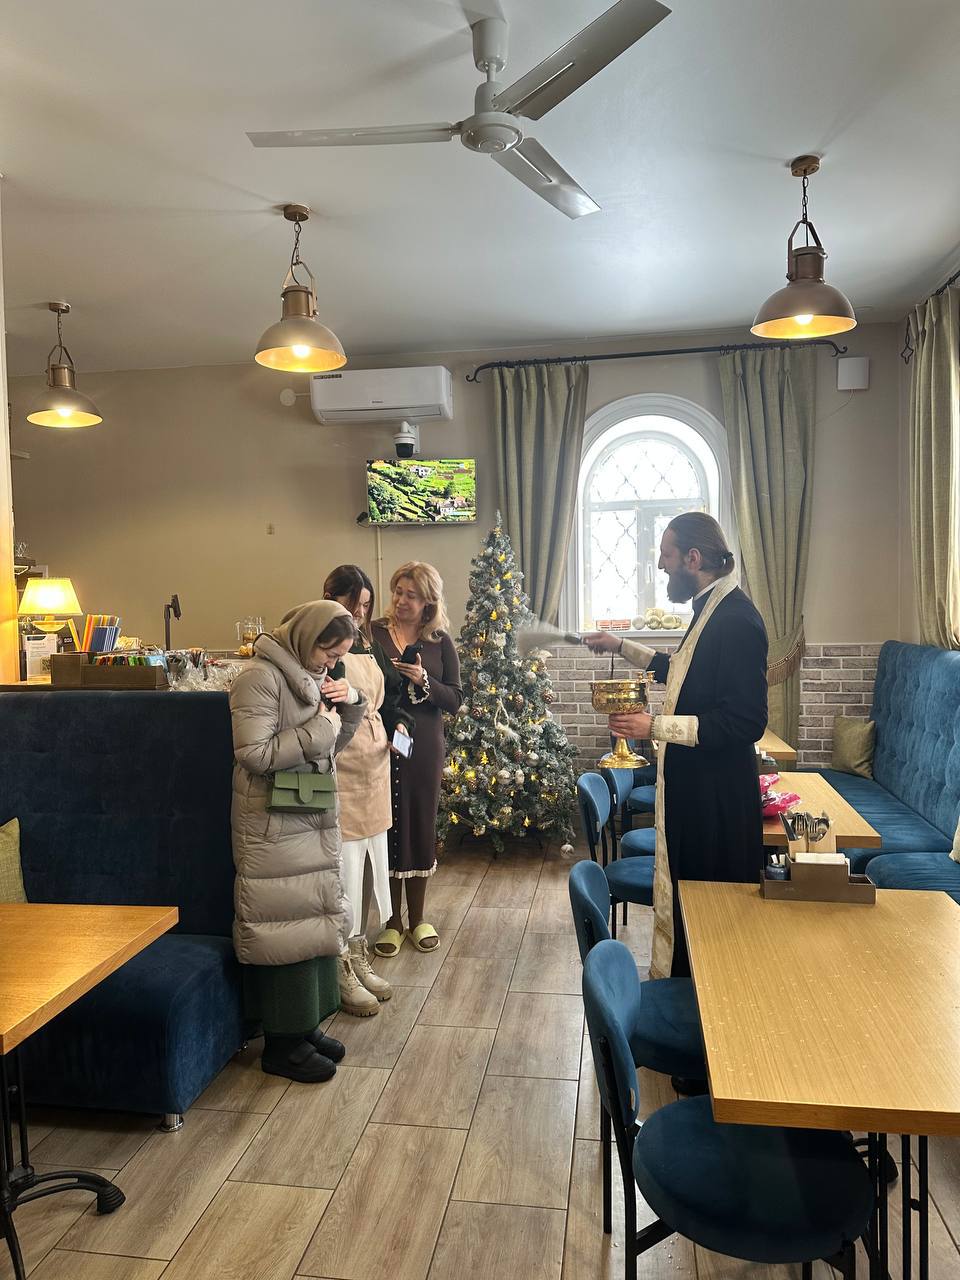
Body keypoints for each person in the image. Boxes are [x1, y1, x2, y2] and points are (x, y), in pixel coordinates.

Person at [584, 512, 768, 981]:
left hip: (715, 803)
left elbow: (746, 721)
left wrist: (655, 726)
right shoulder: (711, 608)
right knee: (690, 908)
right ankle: (684, 994)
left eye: (666, 555)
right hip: (698, 794)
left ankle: (700, 1005)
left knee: (710, 919)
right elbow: (679, 669)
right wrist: (619, 645)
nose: (662, 566)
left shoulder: (736, 620)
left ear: (693, 558)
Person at [229, 600, 365, 1082]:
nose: (331, 662)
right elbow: (253, 753)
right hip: (272, 823)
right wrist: (322, 726)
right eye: (329, 652)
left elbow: (331, 745)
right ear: (306, 638)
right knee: (282, 925)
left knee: (313, 919)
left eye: (339, 656)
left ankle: (303, 1027)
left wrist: (351, 704)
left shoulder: (309, 676)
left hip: (306, 810)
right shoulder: (259, 677)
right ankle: (281, 1043)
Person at [322, 564, 414, 1016]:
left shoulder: (368, 643)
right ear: (331, 598)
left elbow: (391, 696)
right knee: (342, 867)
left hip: (375, 763)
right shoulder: (322, 644)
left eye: (365, 605)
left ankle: (358, 953)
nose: (359, 614)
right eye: (352, 604)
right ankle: (339, 961)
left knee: (367, 863)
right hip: (341, 760)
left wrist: (400, 725)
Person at [371, 562, 463, 955]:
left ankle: (418, 918)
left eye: (411, 595)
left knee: (421, 823)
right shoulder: (373, 633)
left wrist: (423, 680)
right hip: (380, 741)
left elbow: (455, 699)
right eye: (398, 591)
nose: (401, 600)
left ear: (429, 601)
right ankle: (392, 922)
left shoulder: (440, 641)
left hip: (424, 744)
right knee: (387, 824)